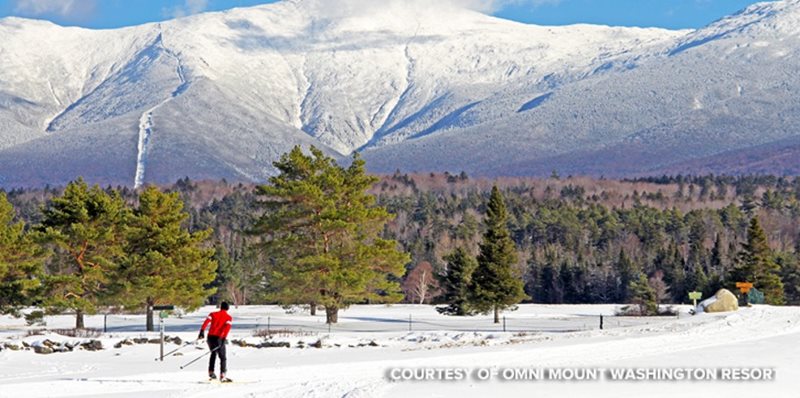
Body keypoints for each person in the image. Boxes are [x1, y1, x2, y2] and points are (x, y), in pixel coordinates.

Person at [198, 302, 233, 382]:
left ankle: (211, 372)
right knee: (223, 357)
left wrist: (202, 331)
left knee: (213, 353)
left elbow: (206, 321)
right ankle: (222, 375)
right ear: (227, 308)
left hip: (210, 337)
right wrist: (224, 338)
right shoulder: (228, 317)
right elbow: (227, 328)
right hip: (219, 338)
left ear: (220, 307)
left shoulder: (213, 314)